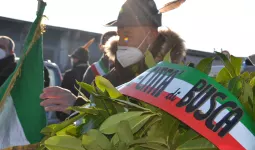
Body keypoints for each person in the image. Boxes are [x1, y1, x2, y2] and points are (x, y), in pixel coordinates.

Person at [40, 0, 186, 117]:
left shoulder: (178, 83)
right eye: (120, 35)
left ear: (151, 35)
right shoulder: (109, 79)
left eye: (128, 35)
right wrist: (77, 107)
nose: (122, 42)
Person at [82, 31, 117, 97]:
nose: (112, 47)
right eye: (108, 44)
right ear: (101, 47)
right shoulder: (93, 70)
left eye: (115, 44)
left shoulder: (125, 68)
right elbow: (83, 98)